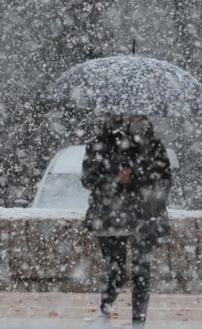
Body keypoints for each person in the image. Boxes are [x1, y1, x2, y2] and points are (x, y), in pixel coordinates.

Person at [82, 114, 172, 326]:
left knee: (142, 270)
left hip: (144, 214)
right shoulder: (101, 142)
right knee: (116, 268)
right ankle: (104, 312)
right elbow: (88, 179)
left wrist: (139, 178)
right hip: (109, 215)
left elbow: (164, 180)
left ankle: (138, 321)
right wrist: (115, 178)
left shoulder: (152, 145)